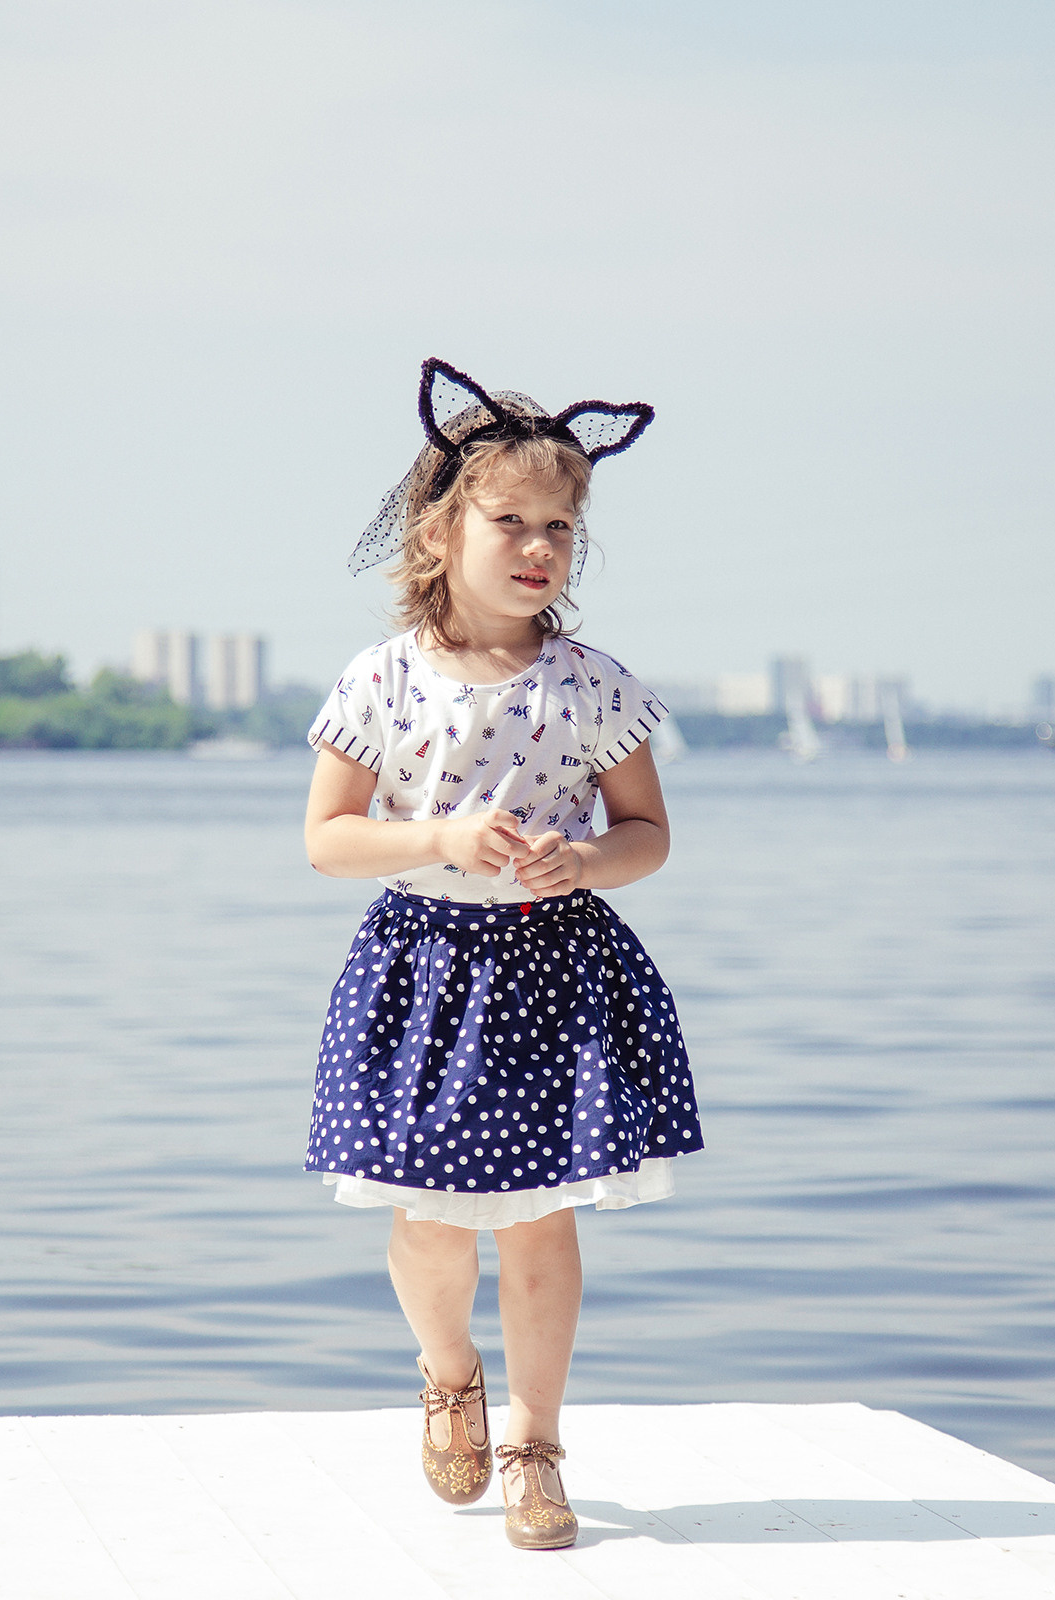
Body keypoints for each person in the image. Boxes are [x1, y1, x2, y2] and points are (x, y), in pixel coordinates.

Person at [301, 359, 703, 1551]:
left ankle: (536, 1441)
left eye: (560, 527)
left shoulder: (591, 685)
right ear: (440, 531)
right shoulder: (381, 679)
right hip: (423, 974)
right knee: (430, 1219)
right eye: (510, 521)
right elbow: (329, 838)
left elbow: (647, 834)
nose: (539, 547)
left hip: (552, 973)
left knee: (539, 1220)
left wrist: (585, 861)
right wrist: (439, 836)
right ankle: (447, 1372)